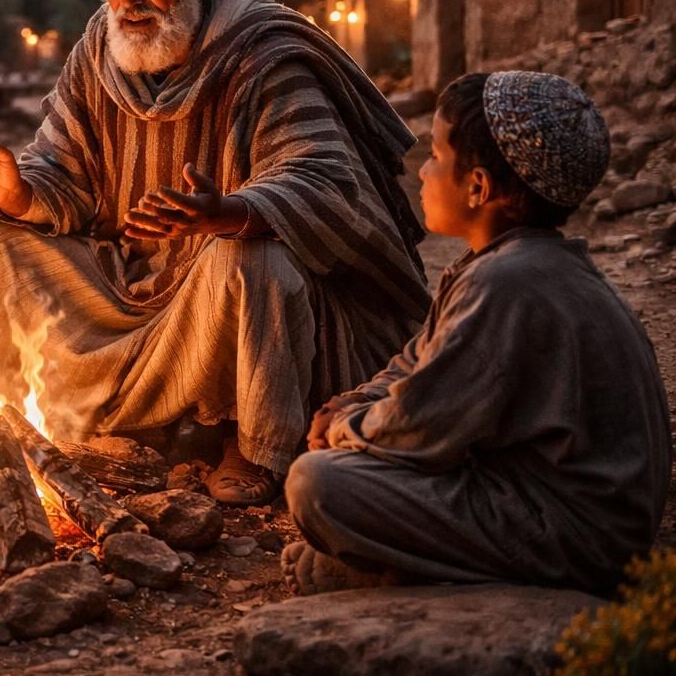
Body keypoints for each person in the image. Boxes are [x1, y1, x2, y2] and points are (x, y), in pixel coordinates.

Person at [0, 0, 430, 505]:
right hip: (128, 283)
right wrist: (17, 192)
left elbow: (326, 180)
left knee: (250, 260)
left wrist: (231, 211)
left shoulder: (264, 54)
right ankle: (20, 414)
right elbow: (64, 178)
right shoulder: (98, 49)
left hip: (226, 287)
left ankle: (248, 438)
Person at [283, 71, 671, 595]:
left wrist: (341, 430)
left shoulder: (507, 282)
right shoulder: (498, 265)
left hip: (577, 540)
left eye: (437, 157)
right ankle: (391, 560)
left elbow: (420, 427)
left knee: (318, 483)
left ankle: (399, 569)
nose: (422, 174)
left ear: (479, 186)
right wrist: (351, 406)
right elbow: (415, 367)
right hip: (535, 499)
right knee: (343, 457)